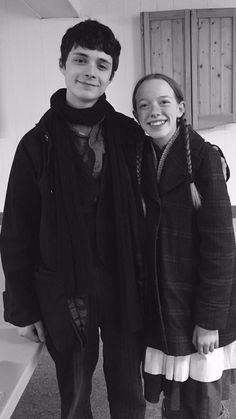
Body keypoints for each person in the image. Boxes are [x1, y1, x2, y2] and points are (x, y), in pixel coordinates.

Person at [0, 20, 147, 419]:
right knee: (76, 391)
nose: (91, 71)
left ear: (111, 75)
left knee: (129, 388)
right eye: (81, 59)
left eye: (102, 64)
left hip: (122, 283)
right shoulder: (36, 144)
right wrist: (24, 309)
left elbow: (167, 163)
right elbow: (16, 231)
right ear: (63, 65)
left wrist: (209, 162)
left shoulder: (127, 134)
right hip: (65, 287)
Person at [132, 73, 236, 419]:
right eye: (143, 105)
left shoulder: (205, 158)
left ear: (180, 107)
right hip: (162, 304)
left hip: (196, 306)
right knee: (173, 398)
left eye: (163, 101)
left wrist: (209, 320)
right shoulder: (140, 160)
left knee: (201, 398)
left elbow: (221, 247)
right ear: (136, 116)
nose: (154, 111)